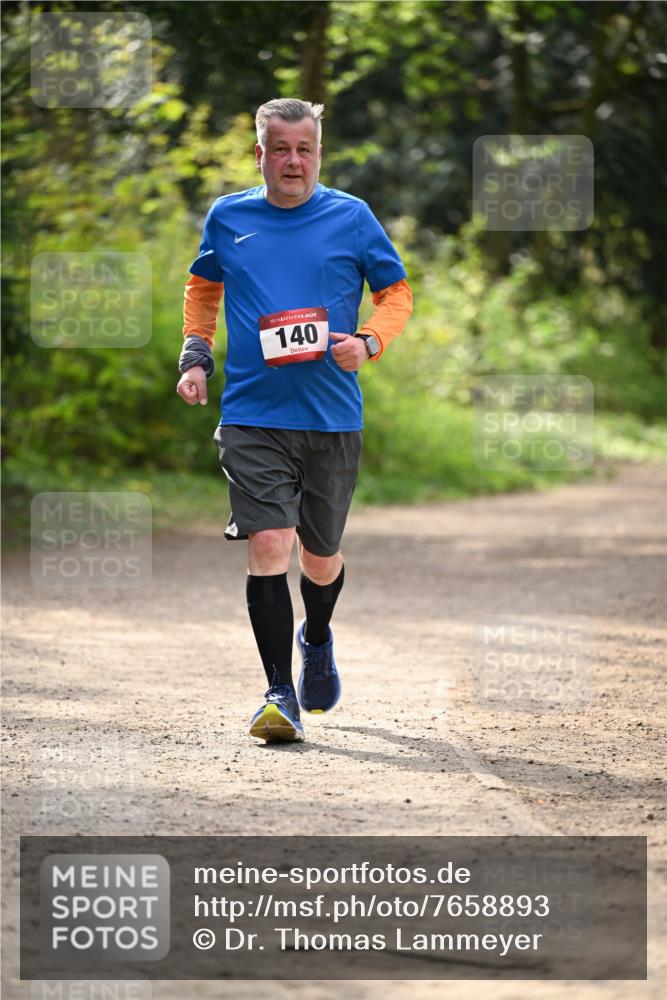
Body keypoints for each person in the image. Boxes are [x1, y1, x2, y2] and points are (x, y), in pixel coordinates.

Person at [176, 98, 412, 743]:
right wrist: (196, 353)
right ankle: (278, 693)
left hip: (332, 416)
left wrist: (369, 341)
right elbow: (203, 286)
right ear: (260, 153)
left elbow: (396, 293)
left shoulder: (352, 217)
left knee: (320, 556)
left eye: (304, 150)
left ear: (317, 154)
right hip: (253, 413)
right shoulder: (229, 216)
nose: (293, 161)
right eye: (280, 149)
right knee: (269, 545)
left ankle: (317, 634)